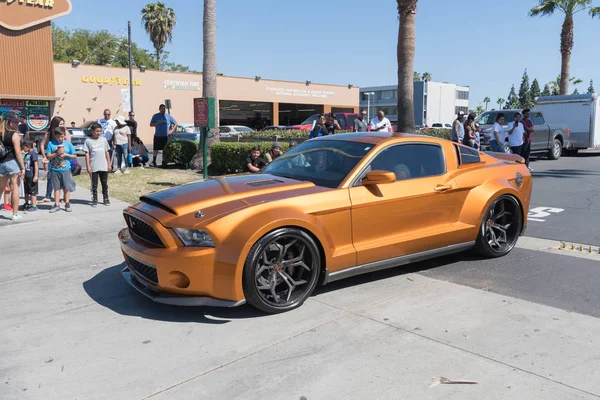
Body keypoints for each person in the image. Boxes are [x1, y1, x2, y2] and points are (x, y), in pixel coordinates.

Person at [0, 113, 25, 221]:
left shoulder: (1, 132)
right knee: (15, 188)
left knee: (0, 188)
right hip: (12, 162)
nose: (17, 124)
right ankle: (15, 214)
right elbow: (18, 153)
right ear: (9, 122)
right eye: (15, 122)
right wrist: (23, 167)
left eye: (17, 122)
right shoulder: (14, 135)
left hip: (1, 163)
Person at [45, 128, 77, 213]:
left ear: (64, 136)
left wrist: (66, 154)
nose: (60, 139)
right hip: (54, 169)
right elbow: (48, 156)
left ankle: (67, 203)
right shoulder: (51, 144)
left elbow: (74, 156)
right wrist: (56, 153)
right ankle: (56, 204)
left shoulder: (68, 144)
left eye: (62, 137)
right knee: (56, 188)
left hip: (65, 169)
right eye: (58, 137)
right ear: (55, 136)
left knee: (66, 188)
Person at [40, 116, 69, 203]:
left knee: (64, 178)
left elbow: (69, 144)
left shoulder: (65, 132)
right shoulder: (49, 133)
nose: (62, 126)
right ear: (55, 124)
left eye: (63, 124)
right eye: (60, 124)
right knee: (50, 177)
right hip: (52, 158)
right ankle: (48, 196)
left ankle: (64, 197)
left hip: (63, 159)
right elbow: (42, 144)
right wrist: (45, 156)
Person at [85, 122, 111, 207]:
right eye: (97, 131)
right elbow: (87, 154)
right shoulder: (88, 141)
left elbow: (106, 152)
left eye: (100, 131)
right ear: (92, 131)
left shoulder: (103, 140)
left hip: (103, 166)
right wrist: (88, 166)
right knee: (94, 184)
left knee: (104, 183)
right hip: (94, 167)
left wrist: (109, 164)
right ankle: (95, 199)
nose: (98, 133)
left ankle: (106, 198)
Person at [21, 141, 39, 212]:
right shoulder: (27, 154)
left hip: (32, 175)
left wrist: (36, 175)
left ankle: (34, 206)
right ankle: (26, 203)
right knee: (26, 190)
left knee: (32, 191)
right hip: (27, 175)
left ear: (29, 146)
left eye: (24, 147)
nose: (23, 148)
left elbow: (36, 164)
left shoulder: (33, 154)